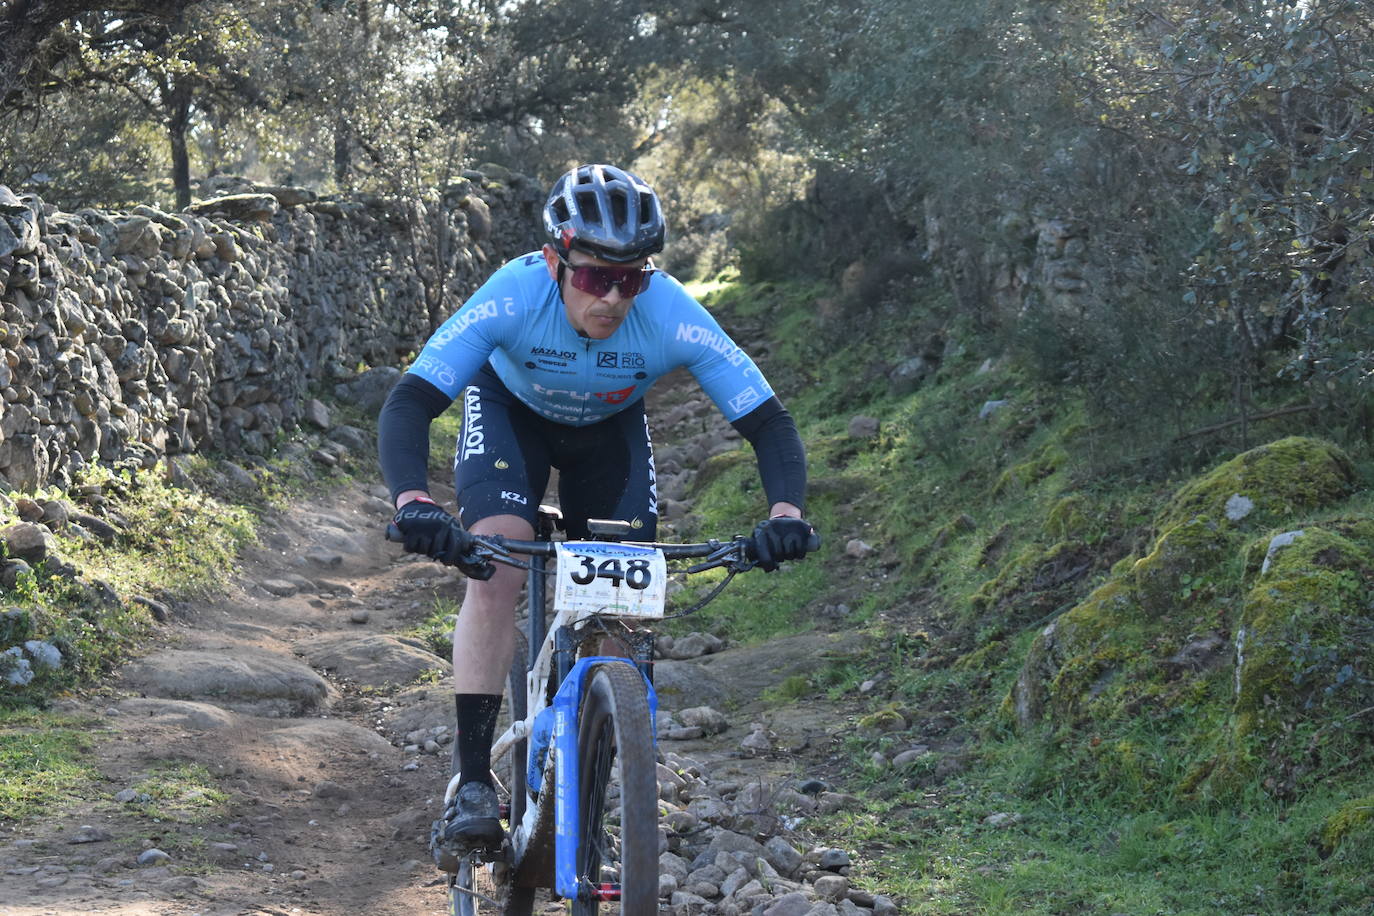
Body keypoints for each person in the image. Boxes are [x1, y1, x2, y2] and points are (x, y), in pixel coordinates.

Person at [377, 163, 816, 858]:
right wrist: (415, 503)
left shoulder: (668, 309)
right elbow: (410, 401)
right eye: (592, 277)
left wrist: (786, 512)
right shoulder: (516, 293)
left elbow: (768, 422)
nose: (612, 297)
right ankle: (471, 781)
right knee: (497, 560)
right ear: (555, 261)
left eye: (630, 278)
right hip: (510, 414)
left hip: (608, 433)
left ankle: (591, 792)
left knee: (620, 600)